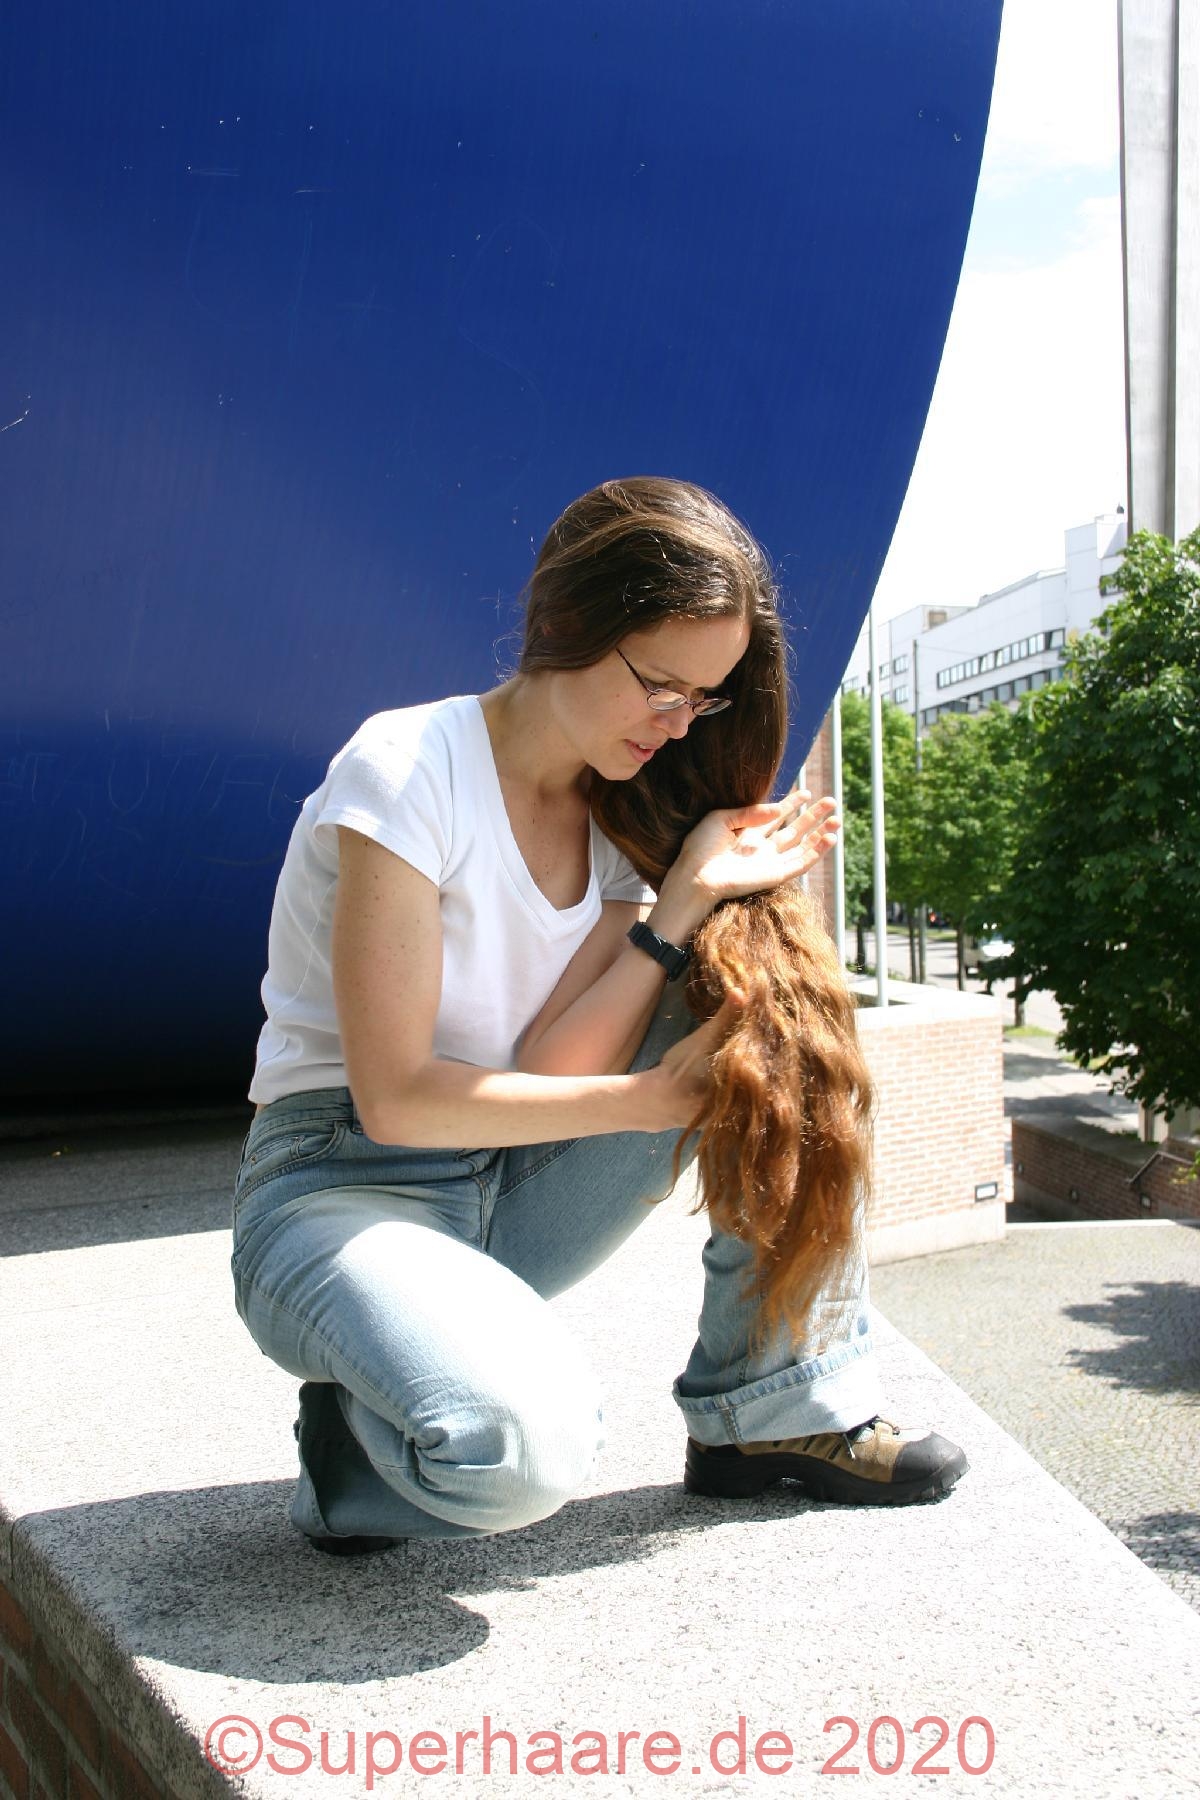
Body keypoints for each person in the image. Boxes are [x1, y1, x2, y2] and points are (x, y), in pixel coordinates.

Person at [231, 476, 967, 1555]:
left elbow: (548, 1068)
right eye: (659, 684)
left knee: (780, 1013)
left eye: (702, 699)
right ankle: (352, 1449)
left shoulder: (618, 816)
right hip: (341, 1187)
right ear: (566, 622)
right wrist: (653, 1100)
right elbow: (396, 1101)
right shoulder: (407, 770)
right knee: (524, 1453)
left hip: (504, 1183)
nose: (676, 724)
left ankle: (771, 1407)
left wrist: (683, 898)